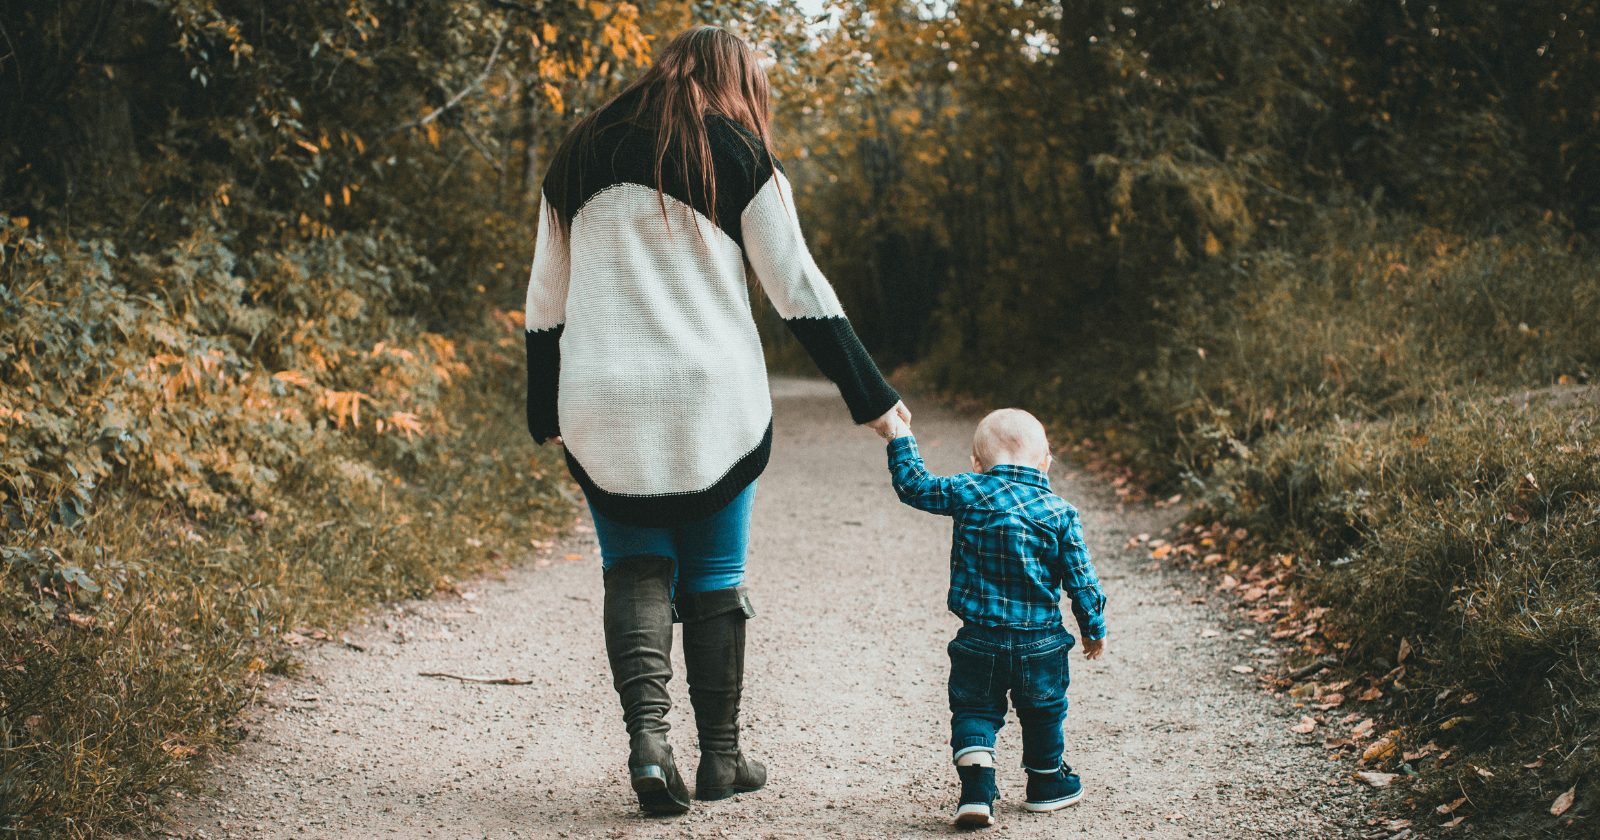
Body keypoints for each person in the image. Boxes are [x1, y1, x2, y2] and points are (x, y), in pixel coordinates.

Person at [523, 25, 910, 816]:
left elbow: (544, 299)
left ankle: (648, 745)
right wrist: (871, 396)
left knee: (634, 565)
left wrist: (543, 406)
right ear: (735, 80)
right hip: (713, 400)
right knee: (714, 574)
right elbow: (796, 285)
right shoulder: (735, 152)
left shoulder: (580, 149)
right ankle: (721, 759)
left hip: (602, 395)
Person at [884, 408, 1107, 828]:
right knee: (1044, 710)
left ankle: (976, 791)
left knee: (974, 709)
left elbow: (913, 485)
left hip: (978, 639)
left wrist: (899, 436)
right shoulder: (1059, 512)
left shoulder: (968, 490)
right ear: (1046, 462)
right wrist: (1093, 628)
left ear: (976, 462)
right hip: (1040, 643)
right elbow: (1082, 579)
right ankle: (1045, 783)